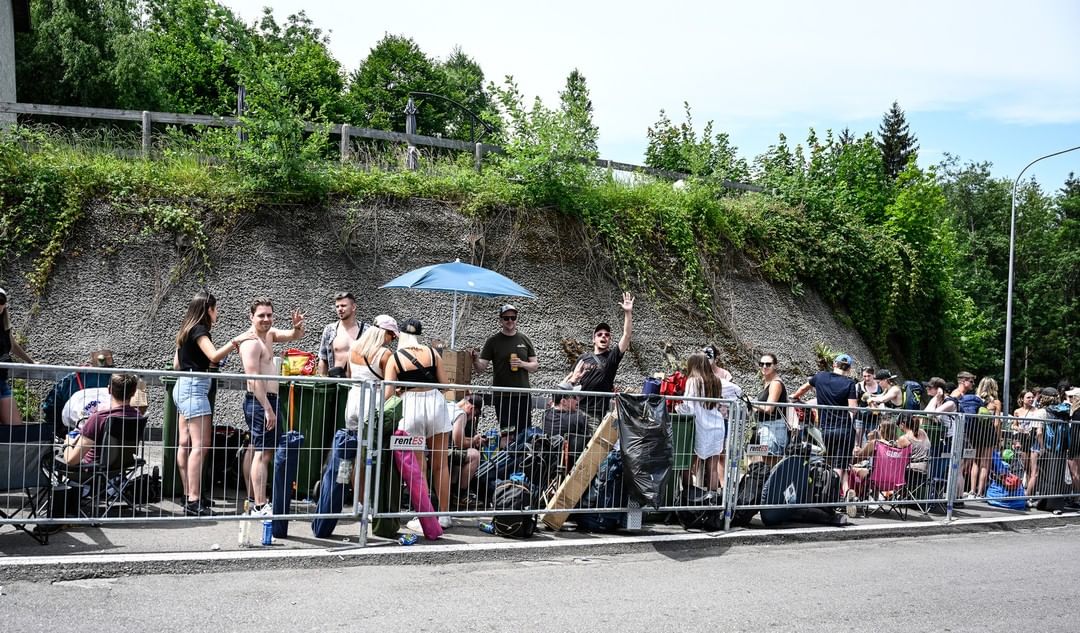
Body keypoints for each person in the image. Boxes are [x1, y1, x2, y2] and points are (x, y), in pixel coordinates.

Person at [172, 290, 253, 517]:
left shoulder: (186, 329)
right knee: (201, 445)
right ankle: (194, 501)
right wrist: (237, 341)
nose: (217, 313)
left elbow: (177, 364)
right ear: (208, 309)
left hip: (182, 386)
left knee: (185, 443)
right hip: (195, 389)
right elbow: (214, 356)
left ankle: (188, 494)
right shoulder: (200, 330)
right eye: (216, 309)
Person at [238, 298, 306, 516]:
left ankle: (255, 501)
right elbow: (253, 379)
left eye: (269, 315)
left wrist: (297, 327)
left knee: (260, 450)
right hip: (260, 402)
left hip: (267, 401)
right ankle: (259, 505)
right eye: (261, 315)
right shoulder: (250, 343)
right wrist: (268, 409)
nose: (266, 319)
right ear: (251, 317)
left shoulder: (269, 335)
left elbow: (295, 336)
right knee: (262, 453)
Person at [383, 318, 453, 529]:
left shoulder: (395, 357)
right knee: (441, 464)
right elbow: (445, 385)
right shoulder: (432, 353)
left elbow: (388, 393)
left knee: (418, 466)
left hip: (410, 406)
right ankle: (445, 515)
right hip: (435, 404)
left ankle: (423, 517)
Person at [562, 292, 634, 420]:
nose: (603, 336)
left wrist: (628, 313)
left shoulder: (612, 357)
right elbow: (568, 380)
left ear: (610, 339)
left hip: (596, 413)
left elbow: (627, 336)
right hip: (577, 411)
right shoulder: (583, 358)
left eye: (607, 335)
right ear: (593, 339)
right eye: (599, 334)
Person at [472, 305, 539, 434]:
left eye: (513, 318)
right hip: (502, 395)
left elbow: (535, 366)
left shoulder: (524, 339)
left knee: (524, 432)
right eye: (506, 318)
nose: (510, 321)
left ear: (516, 319)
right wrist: (475, 360)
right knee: (506, 432)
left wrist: (522, 364)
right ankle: (507, 448)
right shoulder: (493, 341)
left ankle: (521, 448)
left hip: (522, 394)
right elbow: (481, 368)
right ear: (500, 320)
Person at [61, 373, 145, 467]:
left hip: (92, 469)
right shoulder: (138, 416)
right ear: (134, 392)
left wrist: (67, 444)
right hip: (121, 466)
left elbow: (71, 460)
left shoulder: (99, 418)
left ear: (109, 390)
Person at [792, 354, 858, 471]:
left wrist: (795, 396)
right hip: (844, 429)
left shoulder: (820, 376)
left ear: (834, 364)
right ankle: (837, 482)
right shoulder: (850, 383)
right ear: (849, 368)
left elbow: (803, 389)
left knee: (830, 461)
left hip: (826, 428)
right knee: (840, 466)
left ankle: (830, 481)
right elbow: (853, 408)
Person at [676, 352, 726, 491]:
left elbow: (688, 406)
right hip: (717, 425)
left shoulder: (693, 381)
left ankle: (688, 494)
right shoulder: (716, 381)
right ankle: (712, 498)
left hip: (699, 426)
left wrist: (677, 408)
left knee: (688, 463)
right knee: (713, 466)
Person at [344, 315, 398, 430]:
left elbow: (349, 374)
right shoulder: (385, 353)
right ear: (384, 333)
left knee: (353, 438)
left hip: (353, 398)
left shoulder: (353, 347)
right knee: (373, 439)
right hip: (374, 401)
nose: (392, 340)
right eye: (393, 336)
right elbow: (389, 387)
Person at [0, 288, 36, 425]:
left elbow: (13, 346)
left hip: (2, 380)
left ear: (5, 304)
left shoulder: (4, 326)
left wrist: (31, 362)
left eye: (1, 301)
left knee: (15, 428)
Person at [966, 377, 1002, 498]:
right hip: (989, 433)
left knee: (975, 462)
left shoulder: (976, 400)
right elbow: (996, 423)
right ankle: (980, 492)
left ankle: (972, 491)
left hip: (976, 433)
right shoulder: (995, 402)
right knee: (985, 464)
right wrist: (998, 438)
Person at [317, 291, 367, 377]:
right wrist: (323, 380)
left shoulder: (366, 330)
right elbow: (323, 358)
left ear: (353, 307)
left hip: (359, 382)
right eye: (337, 306)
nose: (340, 309)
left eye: (343, 305)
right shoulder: (330, 330)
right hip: (336, 381)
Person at [750, 352, 789, 462]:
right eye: (761, 364)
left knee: (769, 461)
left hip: (773, 429)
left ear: (775, 366)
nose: (764, 366)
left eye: (768, 364)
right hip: (764, 427)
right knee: (753, 456)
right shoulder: (767, 383)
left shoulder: (775, 383)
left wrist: (751, 402)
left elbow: (769, 408)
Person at [448, 394, 485, 503]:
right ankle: (460, 495)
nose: (473, 418)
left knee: (461, 455)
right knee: (474, 455)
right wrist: (474, 440)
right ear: (472, 408)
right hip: (443, 451)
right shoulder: (461, 414)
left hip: (433, 449)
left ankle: (451, 492)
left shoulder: (450, 406)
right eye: (476, 414)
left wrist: (472, 440)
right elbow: (459, 442)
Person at [542, 383, 591, 463]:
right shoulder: (577, 418)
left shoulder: (546, 415)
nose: (577, 400)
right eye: (574, 397)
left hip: (551, 461)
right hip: (573, 463)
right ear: (564, 401)